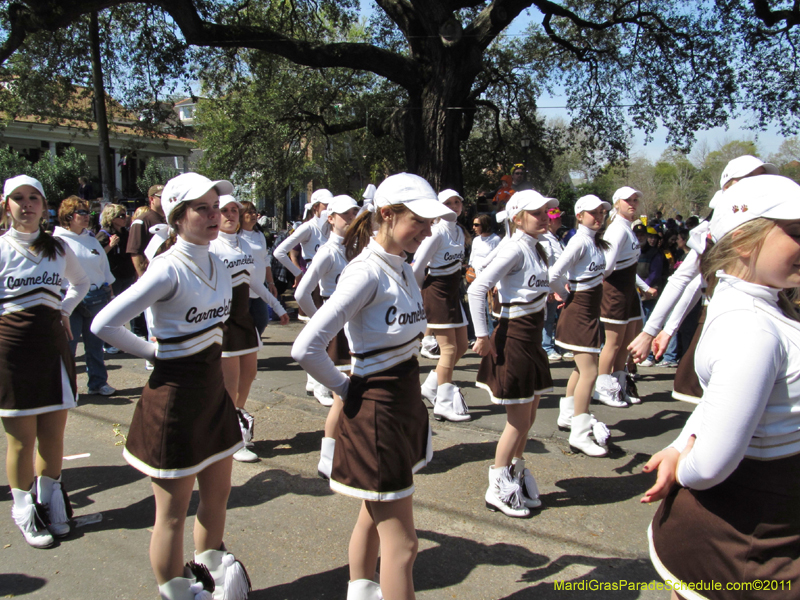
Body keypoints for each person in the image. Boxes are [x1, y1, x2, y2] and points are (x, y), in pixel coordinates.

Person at [292, 173, 452, 600]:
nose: (427, 229)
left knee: (370, 513)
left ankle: (360, 592)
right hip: (376, 411)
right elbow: (306, 346)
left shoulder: (400, 265)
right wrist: (347, 390)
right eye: (419, 220)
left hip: (401, 404)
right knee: (404, 545)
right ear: (387, 214)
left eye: (430, 222)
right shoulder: (364, 272)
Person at [91, 173, 251, 600]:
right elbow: (102, 323)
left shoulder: (219, 261)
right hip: (174, 402)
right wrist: (152, 352)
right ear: (178, 217)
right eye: (203, 208)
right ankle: (175, 590)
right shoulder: (167, 268)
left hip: (213, 396)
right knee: (173, 514)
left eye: (217, 206)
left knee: (217, 498)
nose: (215, 215)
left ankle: (211, 564)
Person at [642, 174, 800, 598]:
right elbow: (710, 466)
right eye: (798, 232)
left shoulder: (761, 308)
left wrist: (678, 444)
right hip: (743, 537)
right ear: (746, 240)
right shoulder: (751, 329)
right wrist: (685, 466)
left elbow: (719, 403)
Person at [0, 175, 89, 548]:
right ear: (6, 206)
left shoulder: (57, 248)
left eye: (34, 197)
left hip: (53, 348)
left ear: (44, 204)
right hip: (11, 349)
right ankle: (23, 509)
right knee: (21, 439)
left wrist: (65, 310)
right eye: (18, 198)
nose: (27, 204)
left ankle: (50, 501)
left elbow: (80, 284)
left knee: (53, 434)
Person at [468, 190, 556, 518]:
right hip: (514, 337)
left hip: (532, 340)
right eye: (537, 212)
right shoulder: (514, 248)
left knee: (530, 416)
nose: (545, 216)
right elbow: (477, 287)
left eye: (546, 211)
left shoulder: (538, 247)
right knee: (518, 421)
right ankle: (497, 483)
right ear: (517, 218)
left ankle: (516, 472)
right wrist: (481, 334)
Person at [211, 194, 289, 463]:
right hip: (223, 321)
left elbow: (254, 281)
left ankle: (236, 422)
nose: (230, 215)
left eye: (234, 210)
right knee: (230, 382)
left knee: (250, 373)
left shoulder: (243, 245)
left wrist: (277, 307)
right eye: (225, 210)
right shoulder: (210, 247)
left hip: (244, 317)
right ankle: (231, 437)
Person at [294, 194, 359, 477]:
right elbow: (301, 293)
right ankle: (328, 457)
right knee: (342, 397)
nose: (351, 218)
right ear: (330, 218)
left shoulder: (357, 248)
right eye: (345, 214)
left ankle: (347, 449)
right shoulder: (327, 252)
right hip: (339, 327)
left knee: (354, 393)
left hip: (357, 326)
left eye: (355, 213)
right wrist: (319, 323)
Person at [548, 195, 612, 457]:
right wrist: (564, 296)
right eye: (592, 213)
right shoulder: (579, 241)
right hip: (579, 313)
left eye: (601, 212)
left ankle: (568, 416)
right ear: (579, 215)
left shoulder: (594, 241)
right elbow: (553, 274)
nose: (598, 216)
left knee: (580, 367)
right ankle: (580, 433)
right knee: (590, 372)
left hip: (589, 311)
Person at [595, 187, 656, 407]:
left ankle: (619, 385)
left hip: (629, 291)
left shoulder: (627, 228)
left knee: (625, 344)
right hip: (616, 292)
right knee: (613, 343)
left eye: (635, 200)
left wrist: (644, 287)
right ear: (617, 203)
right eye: (627, 200)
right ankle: (602, 388)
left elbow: (629, 266)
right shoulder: (617, 230)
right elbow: (607, 266)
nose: (632, 204)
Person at [414, 189, 471, 423]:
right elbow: (417, 266)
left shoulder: (459, 231)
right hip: (436, 291)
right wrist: (419, 294)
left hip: (452, 292)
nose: (454, 206)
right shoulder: (436, 232)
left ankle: (430, 386)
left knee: (461, 347)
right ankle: (444, 404)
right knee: (448, 349)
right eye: (448, 202)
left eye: (457, 202)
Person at [54, 196, 116, 396]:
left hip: (97, 297)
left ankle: (98, 383)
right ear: (68, 216)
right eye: (82, 212)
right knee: (68, 347)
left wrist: (110, 292)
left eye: (88, 212)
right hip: (70, 301)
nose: (87, 216)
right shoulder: (56, 241)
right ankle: (65, 388)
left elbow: (103, 268)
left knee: (95, 345)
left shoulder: (91, 239)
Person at [96, 204, 136, 355]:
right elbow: (96, 257)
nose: (124, 218)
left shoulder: (126, 233)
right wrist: (110, 246)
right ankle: (108, 343)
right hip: (113, 278)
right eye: (120, 215)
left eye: (125, 215)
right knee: (112, 310)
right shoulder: (103, 235)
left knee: (126, 309)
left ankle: (124, 339)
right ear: (111, 218)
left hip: (127, 274)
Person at [238, 200, 278, 337]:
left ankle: (252, 345)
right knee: (241, 323)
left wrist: (270, 282)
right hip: (242, 289)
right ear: (241, 215)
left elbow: (265, 259)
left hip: (259, 287)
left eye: (254, 211)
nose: (254, 214)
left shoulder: (259, 235)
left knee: (261, 321)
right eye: (249, 212)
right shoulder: (236, 236)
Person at [540, 207, 565, 362]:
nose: (559, 220)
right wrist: (549, 289)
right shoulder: (545, 239)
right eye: (556, 218)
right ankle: (546, 346)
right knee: (547, 318)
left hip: (557, 285)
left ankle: (549, 345)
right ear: (549, 221)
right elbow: (547, 265)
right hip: (550, 287)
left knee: (550, 318)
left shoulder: (555, 238)